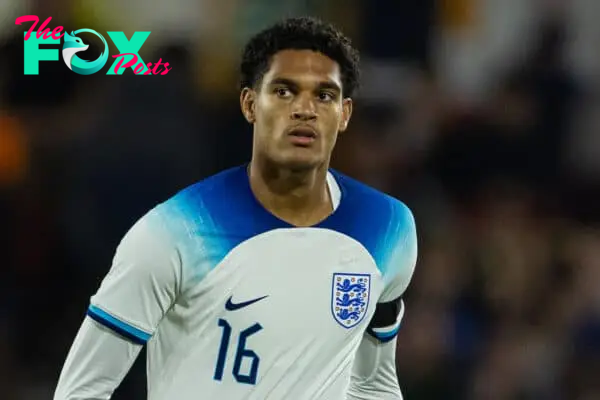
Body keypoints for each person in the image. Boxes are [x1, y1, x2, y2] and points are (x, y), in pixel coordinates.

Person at [54, 16, 418, 400]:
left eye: (324, 95)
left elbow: (373, 383)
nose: (305, 109)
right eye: (283, 91)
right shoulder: (173, 233)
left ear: (344, 113)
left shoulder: (389, 227)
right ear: (249, 104)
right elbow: (82, 390)